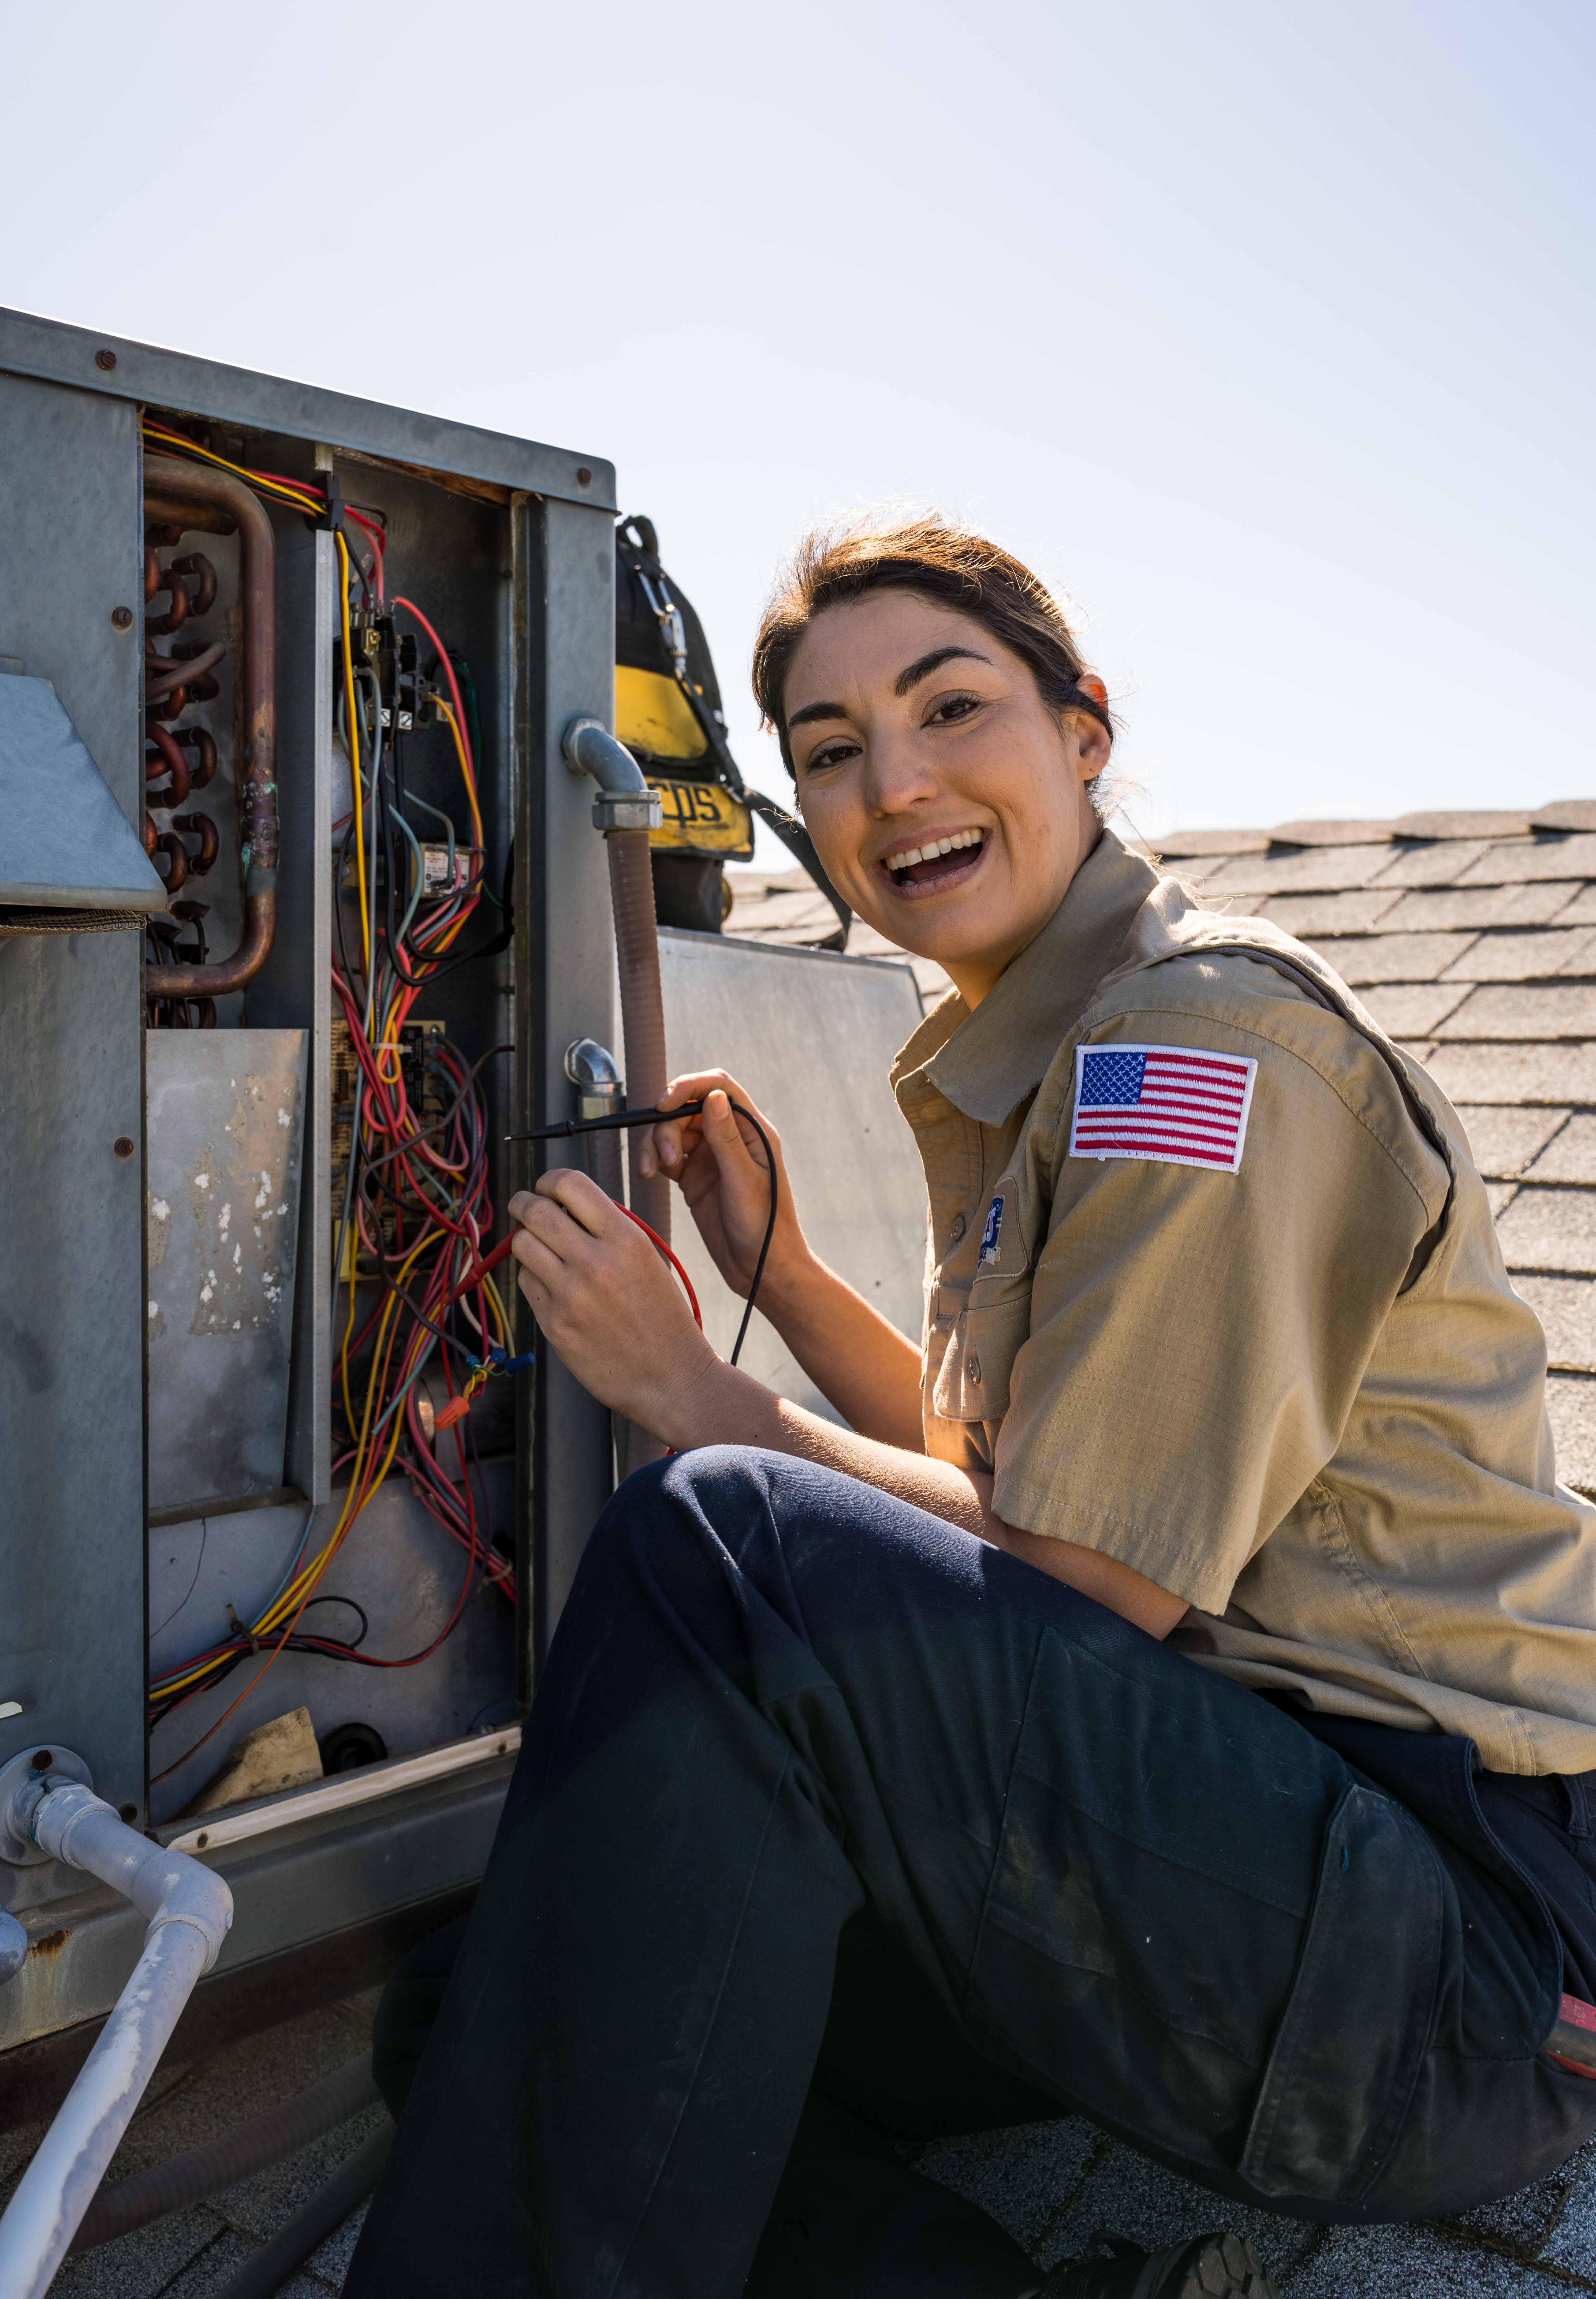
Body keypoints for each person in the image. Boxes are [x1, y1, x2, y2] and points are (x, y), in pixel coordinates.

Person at [345, 518, 1596, 2299]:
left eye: (951, 709)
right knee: (497, 2008)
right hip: (1220, 1872)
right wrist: (774, 1274)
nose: (896, 782)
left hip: (1436, 1967)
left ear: (1084, 731)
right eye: (833, 752)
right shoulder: (1050, 1043)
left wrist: (692, 1391)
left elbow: (1077, 1592)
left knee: (721, 1543)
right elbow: (990, 1503)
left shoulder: (1198, 1053)